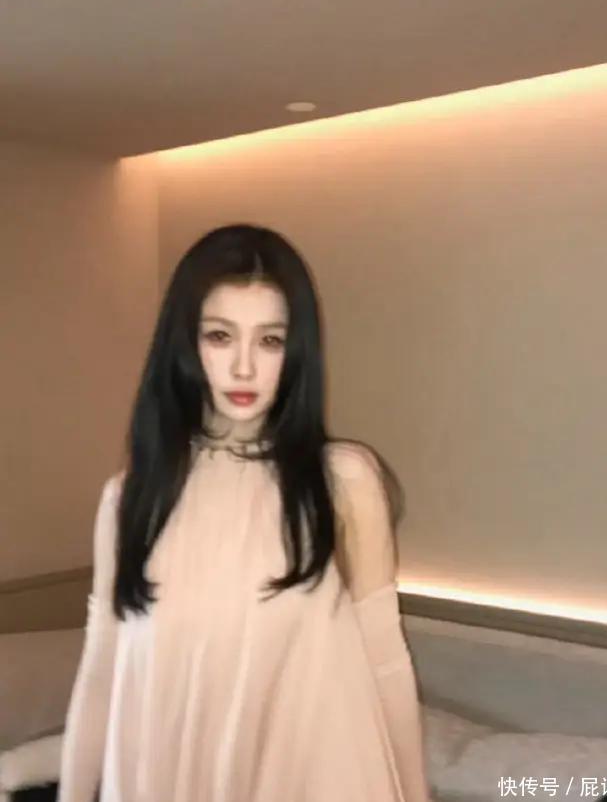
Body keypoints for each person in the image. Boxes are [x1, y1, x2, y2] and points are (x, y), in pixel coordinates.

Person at [56, 224, 431, 802]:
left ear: (296, 352)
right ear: (186, 345)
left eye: (270, 341)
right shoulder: (130, 498)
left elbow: (386, 662)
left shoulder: (342, 481)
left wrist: (415, 794)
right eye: (219, 336)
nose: (244, 368)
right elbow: (103, 669)